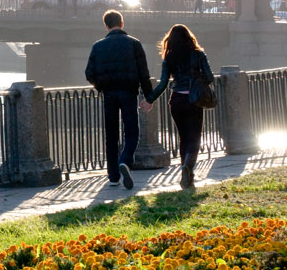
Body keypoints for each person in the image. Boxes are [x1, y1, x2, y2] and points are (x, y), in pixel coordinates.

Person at [85, 10, 153, 189]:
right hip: (129, 93)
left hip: (109, 95)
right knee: (131, 131)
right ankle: (125, 160)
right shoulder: (134, 44)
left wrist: (101, 86)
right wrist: (149, 97)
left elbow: (89, 73)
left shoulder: (98, 46)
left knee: (111, 134)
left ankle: (113, 175)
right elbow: (144, 74)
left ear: (106, 26)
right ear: (122, 23)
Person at [141, 24, 214, 190]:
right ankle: (188, 167)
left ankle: (186, 176)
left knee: (183, 138)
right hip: (194, 100)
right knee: (194, 138)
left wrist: (149, 100)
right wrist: (197, 77)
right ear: (189, 37)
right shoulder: (198, 54)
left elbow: (163, 84)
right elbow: (209, 78)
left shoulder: (169, 57)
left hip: (176, 101)